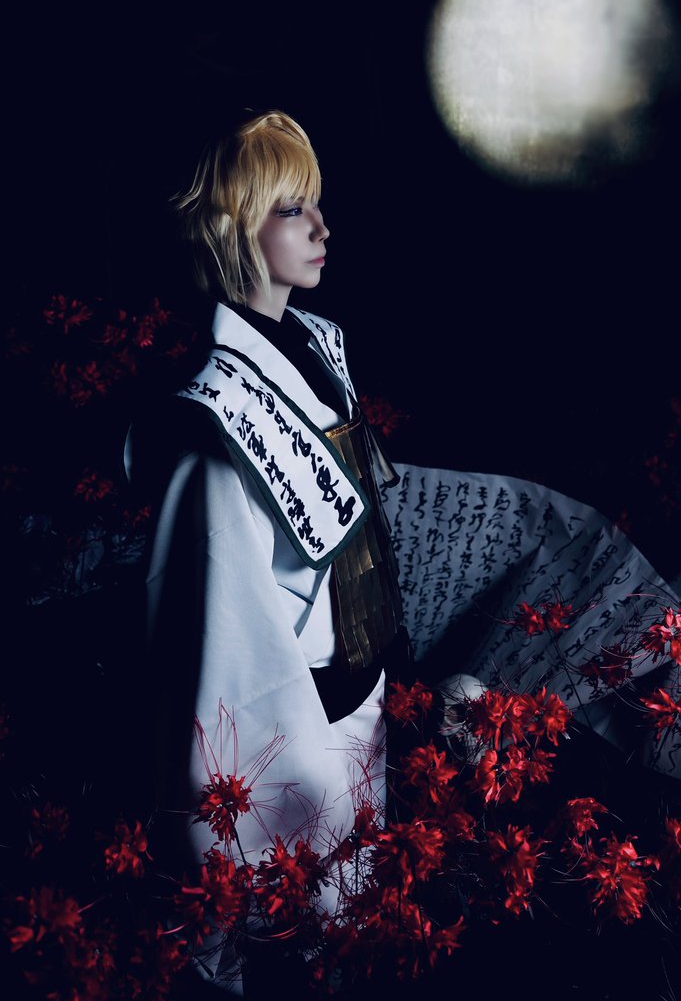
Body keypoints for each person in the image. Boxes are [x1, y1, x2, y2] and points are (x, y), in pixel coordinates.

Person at [133, 110, 409, 988]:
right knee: (299, 937)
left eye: (316, 205)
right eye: (293, 210)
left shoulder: (320, 348)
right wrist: (292, 757)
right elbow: (229, 627)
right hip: (298, 718)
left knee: (367, 928)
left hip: (363, 695)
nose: (322, 229)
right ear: (235, 228)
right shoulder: (216, 418)